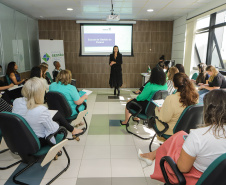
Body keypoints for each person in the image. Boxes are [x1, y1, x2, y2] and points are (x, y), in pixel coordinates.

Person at [138, 89, 226, 185]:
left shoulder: (198, 136)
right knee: (180, 135)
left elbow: (182, 169)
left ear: (207, 110)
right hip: (220, 178)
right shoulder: (198, 136)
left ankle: (151, 156)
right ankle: (151, 155)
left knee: (174, 146)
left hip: (200, 179)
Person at [12, 77, 85, 145]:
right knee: (56, 122)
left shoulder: (16, 101)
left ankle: (73, 130)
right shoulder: (41, 110)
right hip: (37, 141)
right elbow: (53, 129)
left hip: (20, 138)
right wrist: (53, 121)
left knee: (57, 114)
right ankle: (71, 131)